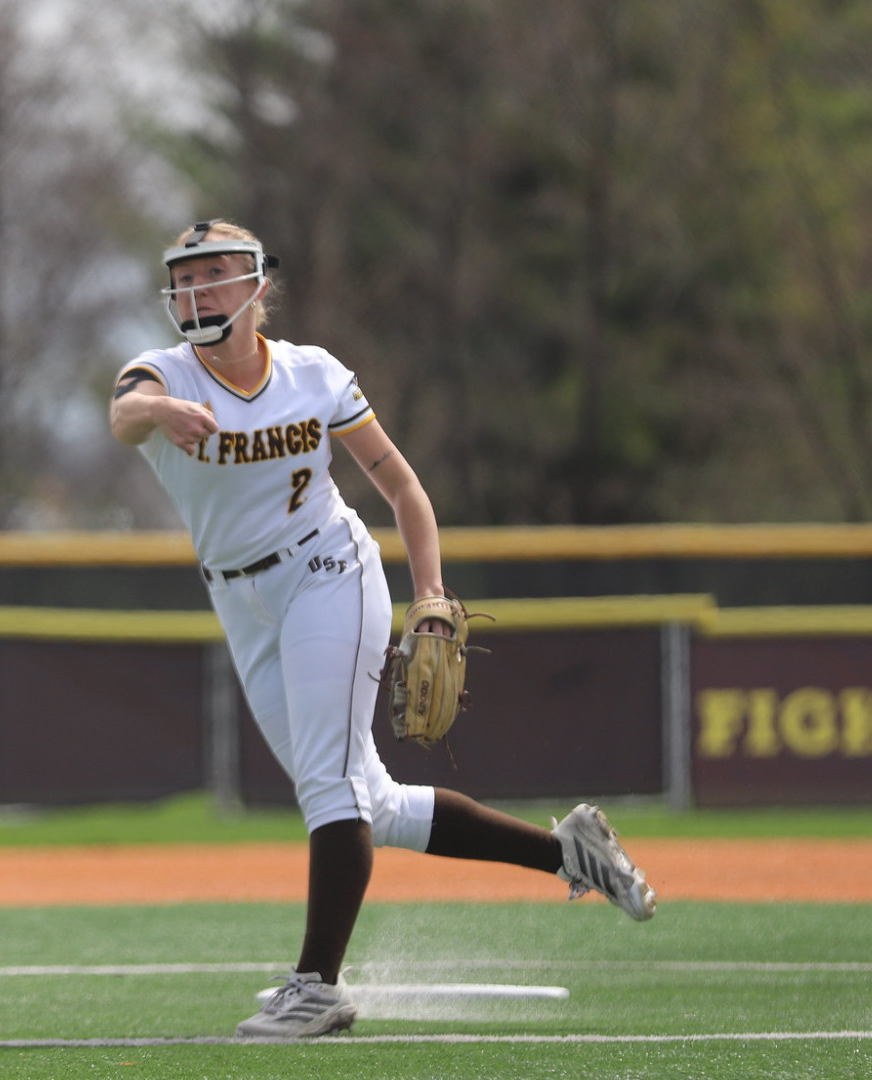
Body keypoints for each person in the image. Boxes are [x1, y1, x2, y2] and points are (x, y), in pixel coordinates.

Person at [109, 220, 656, 1039]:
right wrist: (158, 409)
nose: (196, 290)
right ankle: (570, 854)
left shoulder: (313, 373)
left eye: (215, 272)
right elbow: (123, 413)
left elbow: (402, 487)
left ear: (258, 285)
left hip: (328, 569)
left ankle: (316, 987)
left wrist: (429, 591)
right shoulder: (165, 373)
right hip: (240, 598)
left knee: (332, 789)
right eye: (184, 277)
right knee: (372, 801)